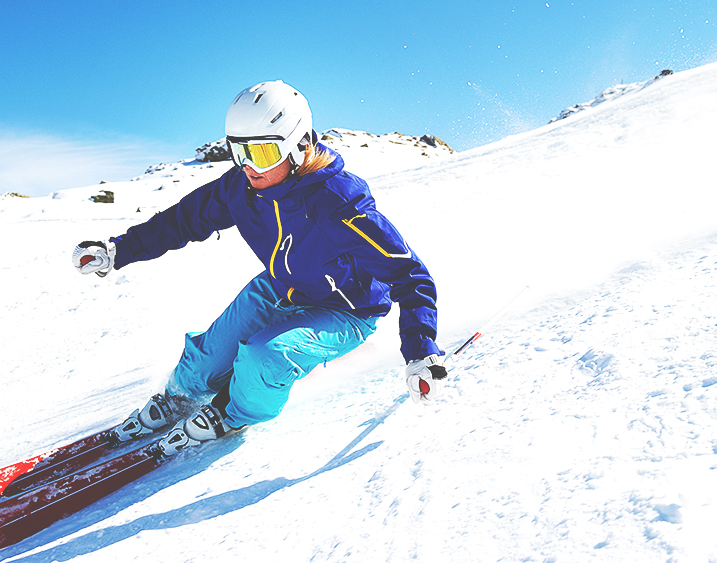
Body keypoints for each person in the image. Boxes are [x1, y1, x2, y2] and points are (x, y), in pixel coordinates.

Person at [72, 80, 446, 455]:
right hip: (280, 287)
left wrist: (419, 349)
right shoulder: (242, 187)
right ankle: (178, 399)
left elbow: (408, 274)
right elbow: (183, 220)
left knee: (264, 358)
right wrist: (117, 250)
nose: (249, 166)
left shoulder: (338, 201)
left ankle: (233, 414)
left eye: (264, 153)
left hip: (347, 310)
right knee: (206, 361)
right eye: (239, 151)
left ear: (298, 146)